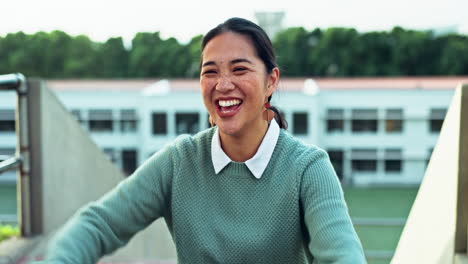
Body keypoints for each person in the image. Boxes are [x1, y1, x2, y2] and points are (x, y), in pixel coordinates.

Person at [36, 17, 366, 263]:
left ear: (271, 82)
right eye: (210, 72)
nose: (223, 85)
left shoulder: (308, 168)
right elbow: (98, 224)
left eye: (239, 69)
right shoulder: (179, 162)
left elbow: (343, 255)